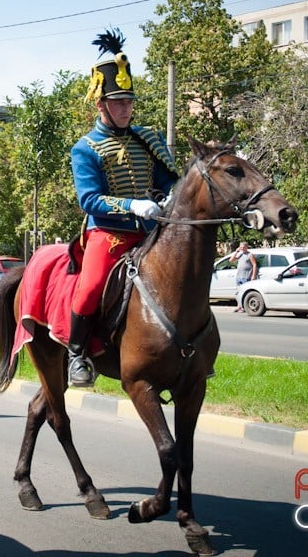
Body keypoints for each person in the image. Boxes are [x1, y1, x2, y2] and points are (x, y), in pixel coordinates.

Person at [67, 28, 180, 387]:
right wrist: (132, 205)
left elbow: (168, 182)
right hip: (107, 233)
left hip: (149, 233)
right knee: (91, 286)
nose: (126, 109)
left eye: (129, 102)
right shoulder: (84, 148)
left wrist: (166, 199)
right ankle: (76, 354)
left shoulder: (148, 139)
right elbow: (89, 200)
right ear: (101, 105)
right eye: (118, 103)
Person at [230, 241, 258, 312]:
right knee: (238, 292)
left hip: (246, 276)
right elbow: (231, 260)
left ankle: (243, 307)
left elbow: (254, 265)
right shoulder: (240, 254)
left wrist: (253, 275)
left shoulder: (250, 255)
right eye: (241, 247)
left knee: (245, 292)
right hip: (239, 276)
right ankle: (239, 306)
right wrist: (236, 252)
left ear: (246, 247)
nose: (242, 248)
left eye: (243, 247)